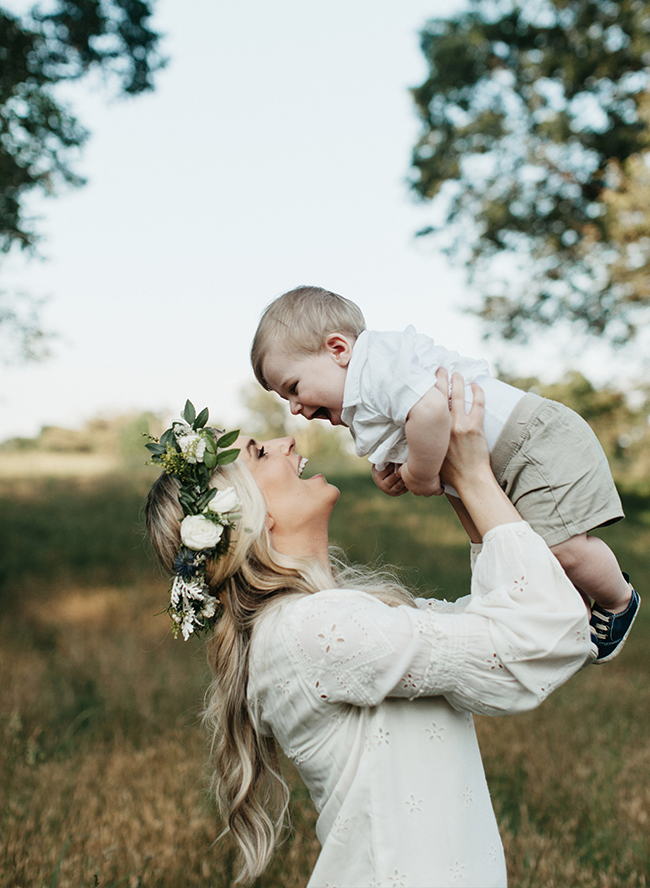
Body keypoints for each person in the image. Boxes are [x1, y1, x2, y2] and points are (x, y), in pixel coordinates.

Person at [145, 376, 593, 888]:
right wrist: (471, 476)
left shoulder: (320, 618)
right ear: (251, 518)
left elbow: (513, 617)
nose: (287, 440)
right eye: (259, 454)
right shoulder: (315, 629)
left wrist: (453, 478)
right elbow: (535, 643)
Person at [250, 285, 640, 664]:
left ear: (338, 349)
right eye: (286, 400)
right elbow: (404, 441)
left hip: (532, 442)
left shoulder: (377, 364)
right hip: (503, 461)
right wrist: (390, 473)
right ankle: (572, 617)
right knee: (536, 561)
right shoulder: (360, 400)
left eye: (294, 388)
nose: (296, 409)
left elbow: (432, 412)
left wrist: (419, 474)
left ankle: (619, 600)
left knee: (561, 550)